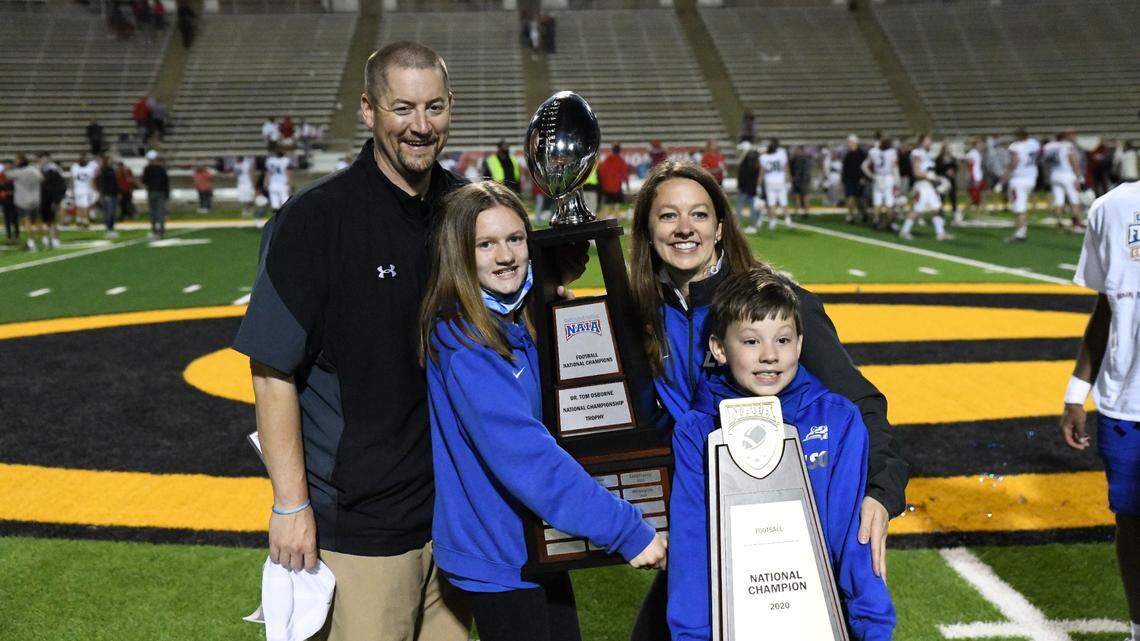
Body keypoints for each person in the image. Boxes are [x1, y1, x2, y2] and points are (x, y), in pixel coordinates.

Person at [232, 41, 478, 641]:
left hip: (459, 519)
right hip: (364, 527)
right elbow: (271, 368)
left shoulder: (465, 211)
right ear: (368, 110)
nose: (421, 126)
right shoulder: (318, 219)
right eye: (402, 109)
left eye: (435, 107)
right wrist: (290, 506)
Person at [626, 160, 908, 640]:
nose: (684, 228)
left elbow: (858, 403)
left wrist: (881, 492)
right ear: (647, 231)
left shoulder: (771, 306)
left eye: (699, 214)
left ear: (720, 228)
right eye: (667, 216)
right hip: (704, 517)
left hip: (792, 522)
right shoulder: (640, 312)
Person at [419, 181, 666, 641]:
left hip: (537, 541)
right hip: (501, 555)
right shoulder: (464, 342)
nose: (506, 255)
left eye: (515, 239)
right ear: (459, 254)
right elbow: (528, 457)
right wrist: (626, 529)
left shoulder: (513, 320)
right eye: (485, 244)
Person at [667, 269, 896, 641]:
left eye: (783, 340)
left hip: (822, 621)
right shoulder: (698, 431)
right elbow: (692, 544)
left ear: (801, 344)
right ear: (719, 349)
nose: (770, 356)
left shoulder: (837, 418)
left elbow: (851, 533)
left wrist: (873, 626)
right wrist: (691, 635)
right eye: (751, 341)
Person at [1060, 179, 1140, 641]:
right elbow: (1107, 306)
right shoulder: (1112, 208)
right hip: (1126, 403)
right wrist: (1076, 390)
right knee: (1132, 524)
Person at [900, 134, 951, 241]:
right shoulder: (917, 153)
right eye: (928, 140)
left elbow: (930, 171)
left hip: (929, 185)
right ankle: (904, 231)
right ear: (922, 142)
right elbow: (916, 172)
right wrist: (929, 176)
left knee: (936, 208)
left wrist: (938, 179)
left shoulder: (928, 154)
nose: (930, 143)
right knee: (918, 209)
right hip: (922, 185)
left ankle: (940, 233)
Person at [1003, 127, 1041, 242]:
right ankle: (1021, 230)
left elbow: (1015, 160)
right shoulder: (1034, 143)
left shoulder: (1015, 146)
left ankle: (1020, 232)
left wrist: (1006, 174)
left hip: (1019, 179)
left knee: (1019, 207)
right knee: (1022, 204)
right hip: (1031, 178)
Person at [1044, 129, 1083, 231]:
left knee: (1058, 200)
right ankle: (1076, 224)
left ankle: (1059, 223)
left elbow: (1046, 163)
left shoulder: (1049, 146)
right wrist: (1079, 176)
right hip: (1067, 174)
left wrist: (1048, 176)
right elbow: (1073, 160)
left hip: (1054, 175)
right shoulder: (1067, 145)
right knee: (1074, 199)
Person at [8, 154, 45, 252]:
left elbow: (6, 176)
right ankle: (43, 240)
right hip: (35, 199)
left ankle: (31, 243)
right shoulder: (34, 170)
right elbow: (42, 179)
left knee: (26, 221)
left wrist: (9, 168)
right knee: (37, 220)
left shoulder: (17, 172)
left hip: (22, 201)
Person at [862, 136, 899, 230]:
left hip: (878, 177)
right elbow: (895, 167)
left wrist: (872, 176)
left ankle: (876, 221)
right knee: (889, 203)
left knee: (877, 201)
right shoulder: (892, 152)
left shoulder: (873, 152)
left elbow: (863, 166)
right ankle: (890, 223)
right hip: (888, 177)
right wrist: (897, 181)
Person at [759, 138, 790, 229]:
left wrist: (758, 184)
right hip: (780, 181)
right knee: (783, 201)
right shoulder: (782, 153)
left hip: (770, 182)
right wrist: (788, 180)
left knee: (772, 203)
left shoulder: (764, 157)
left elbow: (762, 172)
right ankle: (787, 219)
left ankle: (773, 221)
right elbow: (785, 167)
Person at [598, 143, 630, 221]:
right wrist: (627, 184)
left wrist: (602, 183)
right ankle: (617, 218)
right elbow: (624, 173)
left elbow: (601, 170)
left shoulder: (607, 159)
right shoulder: (621, 161)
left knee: (606, 203)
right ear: (619, 151)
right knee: (616, 203)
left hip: (606, 186)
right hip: (616, 186)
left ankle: (604, 218)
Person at [39, 153, 65, 248]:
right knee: (46, 220)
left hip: (50, 199)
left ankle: (53, 239)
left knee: (51, 220)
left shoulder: (52, 171)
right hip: (45, 199)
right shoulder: (44, 170)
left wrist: (57, 200)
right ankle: (47, 238)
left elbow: (59, 187)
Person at [141, 150, 169, 239]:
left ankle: (154, 230)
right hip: (160, 192)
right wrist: (166, 193)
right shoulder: (161, 169)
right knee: (160, 212)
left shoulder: (147, 169)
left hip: (151, 192)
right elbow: (166, 182)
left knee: (153, 212)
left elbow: (144, 181)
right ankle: (161, 231)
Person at [70, 152, 100, 229]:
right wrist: (72, 190)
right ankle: (81, 220)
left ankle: (82, 220)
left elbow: (92, 181)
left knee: (83, 206)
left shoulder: (87, 168)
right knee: (81, 206)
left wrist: (94, 190)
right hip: (80, 190)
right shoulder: (76, 167)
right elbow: (73, 180)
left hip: (84, 190)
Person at [841, 134, 867, 223]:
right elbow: (845, 168)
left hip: (858, 179)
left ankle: (863, 213)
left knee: (859, 199)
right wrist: (843, 179)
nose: (849, 143)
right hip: (849, 179)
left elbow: (864, 167)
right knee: (850, 197)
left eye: (850, 142)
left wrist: (863, 177)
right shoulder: (847, 153)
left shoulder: (861, 153)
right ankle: (850, 215)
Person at [736, 143, 760, 234]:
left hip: (745, 189)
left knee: (740, 207)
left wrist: (740, 186)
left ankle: (737, 226)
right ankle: (754, 225)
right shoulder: (755, 160)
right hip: (751, 189)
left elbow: (743, 175)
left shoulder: (745, 162)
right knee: (753, 208)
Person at [934, 145, 959, 223]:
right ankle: (941, 216)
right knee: (941, 198)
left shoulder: (953, 158)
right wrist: (945, 172)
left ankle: (955, 215)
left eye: (949, 149)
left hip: (951, 180)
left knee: (953, 197)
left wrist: (953, 172)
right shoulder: (939, 159)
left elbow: (956, 167)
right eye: (946, 149)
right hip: (942, 180)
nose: (947, 150)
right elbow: (937, 169)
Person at [964, 137, 987, 218]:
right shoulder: (972, 153)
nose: (982, 145)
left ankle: (981, 213)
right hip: (975, 178)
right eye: (980, 144)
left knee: (982, 195)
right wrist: (973, 179)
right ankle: (962, 212)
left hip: (979, 177)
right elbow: (969, 167)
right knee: (973, 197)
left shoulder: (977, 153)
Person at [97, 155, 119, 238]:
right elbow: (103, 184)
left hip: (113, 194)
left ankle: (111, 228)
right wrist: (105, 194)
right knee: (109, 213)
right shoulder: (104, 171)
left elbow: (115, 183)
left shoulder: (111, 170)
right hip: (108, 195)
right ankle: (109, 229)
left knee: (112, 213)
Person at [790, 145, 812, 216]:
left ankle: (801, 211)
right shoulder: (807, 158)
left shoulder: (796, 159)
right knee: (801, 196)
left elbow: (794, 170)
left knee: (799, 195)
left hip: (799, 179)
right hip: (804, 179)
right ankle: (805, 211)